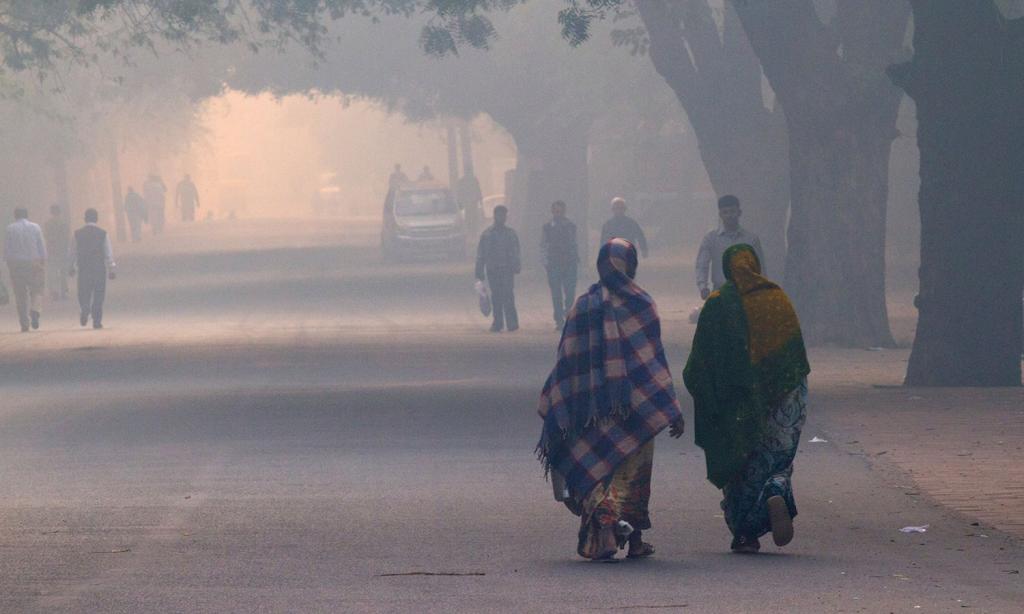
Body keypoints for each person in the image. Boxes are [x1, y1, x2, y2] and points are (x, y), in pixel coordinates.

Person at [537, 238, 685, 561]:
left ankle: (603, 531)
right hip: (638, 409)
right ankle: (633, 539)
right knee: (635, 475)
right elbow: (654, 362)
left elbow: (567, 359)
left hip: (591, 410)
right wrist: (671, 409)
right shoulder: (642, 304)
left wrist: (562, 402)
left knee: (598, 469)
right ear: (631, 265)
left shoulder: (582, 306)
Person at [683, 244, 810, 553]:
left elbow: (699, 363)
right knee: (777, 458)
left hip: (736, 403)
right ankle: (775, 489)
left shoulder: (717, 304)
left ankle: (745, 534)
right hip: (785, 396)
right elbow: (795, 354)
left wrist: (709, 397)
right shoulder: (776, 297)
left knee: (741, 463)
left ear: (726, 268)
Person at [695, 195, 765, 300]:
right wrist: (703, 287)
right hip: (720, 293)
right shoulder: (711, 239)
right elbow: (702, 264)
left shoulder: (751, 240)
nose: (729, 215)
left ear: (739, 213)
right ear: (720, 215)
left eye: (732, 211)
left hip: (745, 294)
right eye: (725, 212)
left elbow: (759, 267)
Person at [68, 208, 116, 329]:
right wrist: (111, 268)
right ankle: (97, 320)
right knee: (99, 294)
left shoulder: (77, 234)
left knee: (83, 291)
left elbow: (72, 252)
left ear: (85, 219)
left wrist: (71, 266)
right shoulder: (103, 233)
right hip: (99, 268)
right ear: (97, 219)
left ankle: (85, 307)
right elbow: (108, 252)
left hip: (83, 268)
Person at [475, 205, 520, 332]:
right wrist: (479, 270)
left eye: (503, 215)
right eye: (499, 215)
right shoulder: (487, 234)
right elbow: (481, 253)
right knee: (496, 297)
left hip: (507, 269)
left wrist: (516, 265)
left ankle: (512, 322)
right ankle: (498, 322)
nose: (501, 217)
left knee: (508, 295)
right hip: (493, 269)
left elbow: (516, 251)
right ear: (495, 216)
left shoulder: (511, 234)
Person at [4, 208, 47, 332]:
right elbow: (41, 246)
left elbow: (7, 249)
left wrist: (8, 264)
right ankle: (35, 310)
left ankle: (24, 323)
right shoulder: (35, 227)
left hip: (16, 265)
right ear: (27, 215)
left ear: (15, 215)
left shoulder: (10, 229)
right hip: (34, 263)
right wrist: (43, 261)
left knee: (20, 295)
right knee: (37, 290)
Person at [540, 200, 578, 330]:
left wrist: (575, 259)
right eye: (556, 211)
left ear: (564, 211)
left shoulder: (571, 226)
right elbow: (543, 245)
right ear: (552, 212)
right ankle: (558, 319)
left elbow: (574, 243)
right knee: (556, 293)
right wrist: (545, 262)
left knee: (570, 293)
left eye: (560, 211)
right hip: (554, 264)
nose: (558, 214)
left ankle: (569, 315)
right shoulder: (547, 227)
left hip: (569, 263)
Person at [43, 204, 70, 301]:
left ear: (51, 212)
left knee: (52, 271)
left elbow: (45, 237)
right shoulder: (64, 223)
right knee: (63, 271)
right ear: (60, 212)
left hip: (51, 250)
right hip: (62, 250)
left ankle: (54, 291)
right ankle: (64, 291)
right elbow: (67, 238)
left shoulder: (47, 224)